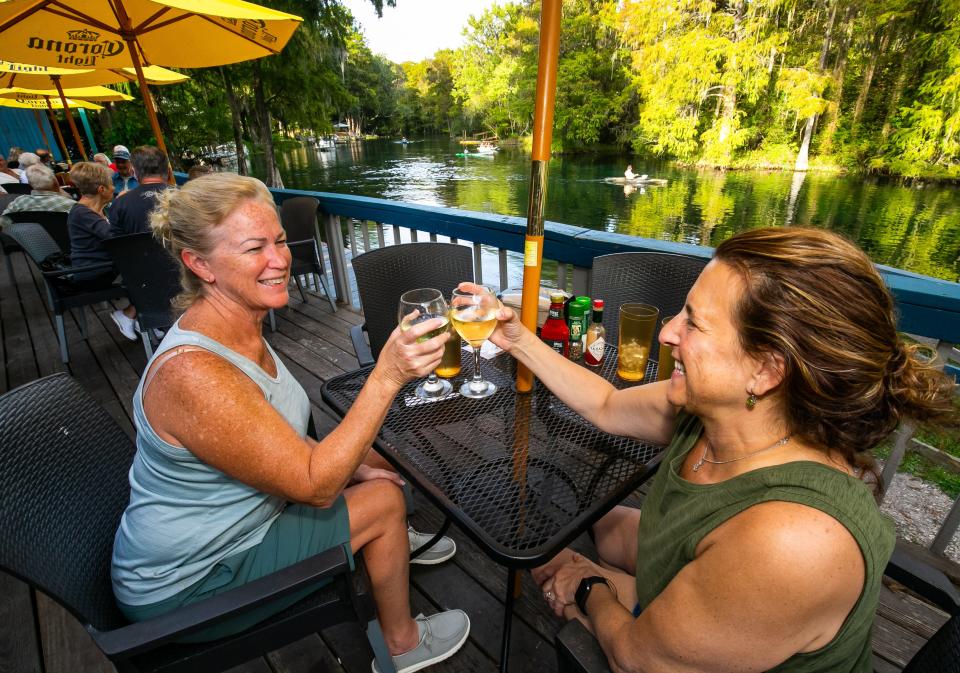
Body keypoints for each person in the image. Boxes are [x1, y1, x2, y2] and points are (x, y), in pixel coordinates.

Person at [477, 227, 955, 673]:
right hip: (715, 603)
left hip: (654, 652)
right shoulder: (713, 411)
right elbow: (605, 403)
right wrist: (517, 338)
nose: (667, 333)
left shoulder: (793, 542)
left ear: (766, 371)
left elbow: (634, 660)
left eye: (693, 323)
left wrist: (591, 587)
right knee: (583, 528)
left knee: (566, 573)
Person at [110, 174, 470, 673]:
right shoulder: (194, 372)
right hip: (190, 584)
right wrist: (387, 374)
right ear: (199, 263)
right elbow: (315, 485)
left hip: (241, 527)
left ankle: (384, 541)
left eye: (278, 239)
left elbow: (269, 429)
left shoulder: (238, 324)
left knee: (378, 458)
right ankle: (403, 645)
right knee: (385, 498)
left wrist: (362, 467)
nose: (280, 259)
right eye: (255, 247)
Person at [66, 162, 139, 339]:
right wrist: (119, 204)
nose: (114, 188)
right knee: (151, 272)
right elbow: (114, 238)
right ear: (101, 189)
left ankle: (142, 316)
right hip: (93, 273)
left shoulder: (89, 211)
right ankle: (129, 314)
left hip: (104, 266)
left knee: (148, 265)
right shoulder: (83, 214)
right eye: (111, 185)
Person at [109, 146, 170, 237]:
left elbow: (118, 243)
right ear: (168, 172)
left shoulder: (120, 203)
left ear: (135, 172)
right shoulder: (184, 197)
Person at [0, 164, 74, 229]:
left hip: (32, 243)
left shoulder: (19, 202)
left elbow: (2, 222)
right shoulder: (70, 204)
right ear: (55, 181)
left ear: (29, 184)